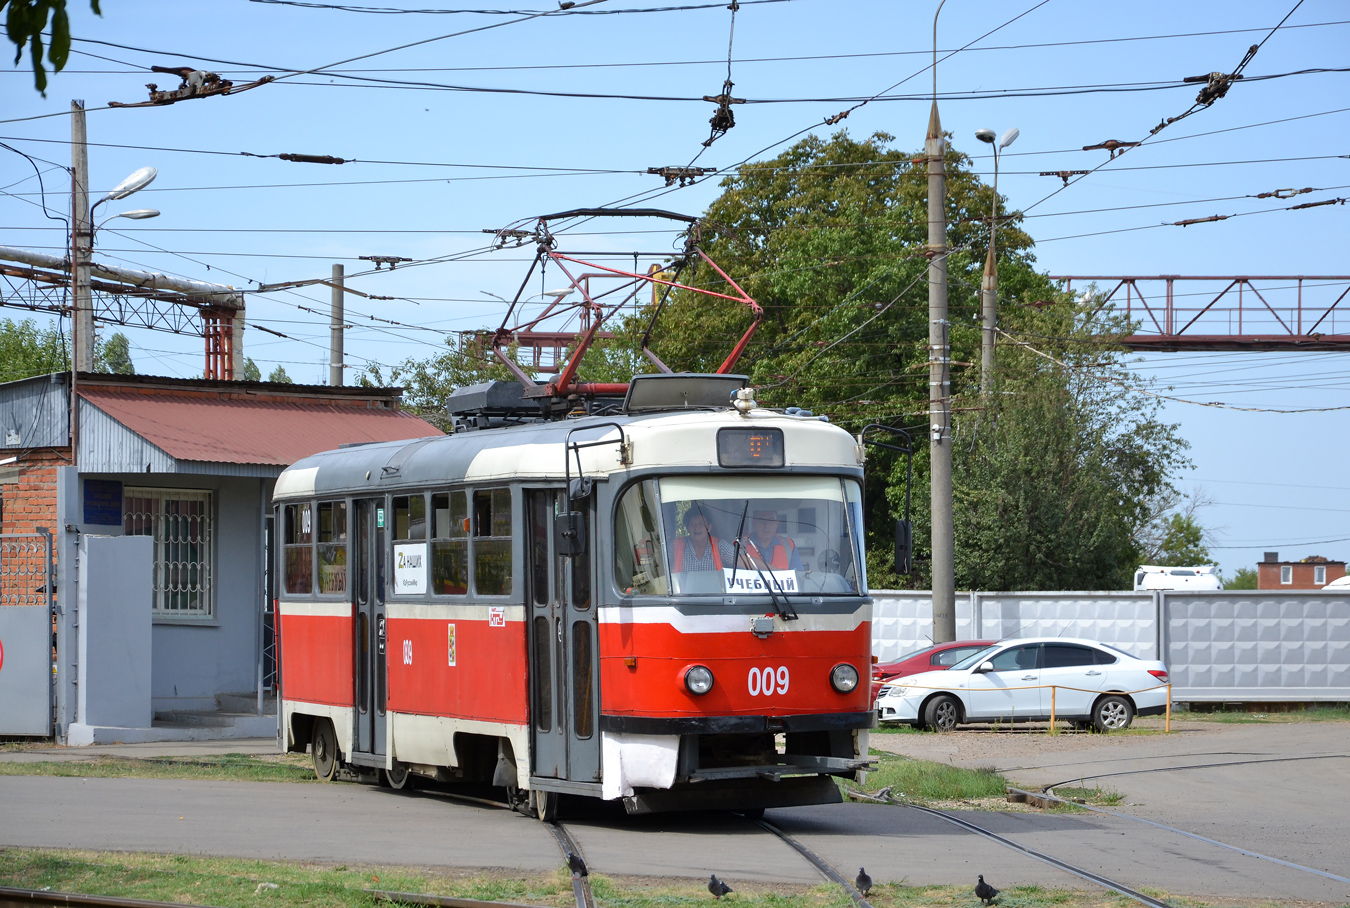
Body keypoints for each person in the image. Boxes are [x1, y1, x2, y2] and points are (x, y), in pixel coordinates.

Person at [739, 508, 804, 571]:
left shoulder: (789, 545)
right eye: (761, 520)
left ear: (777, 523)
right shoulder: (740, 545)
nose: (766, 525)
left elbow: (798, 577)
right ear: (754, 523)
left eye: (771, 520)